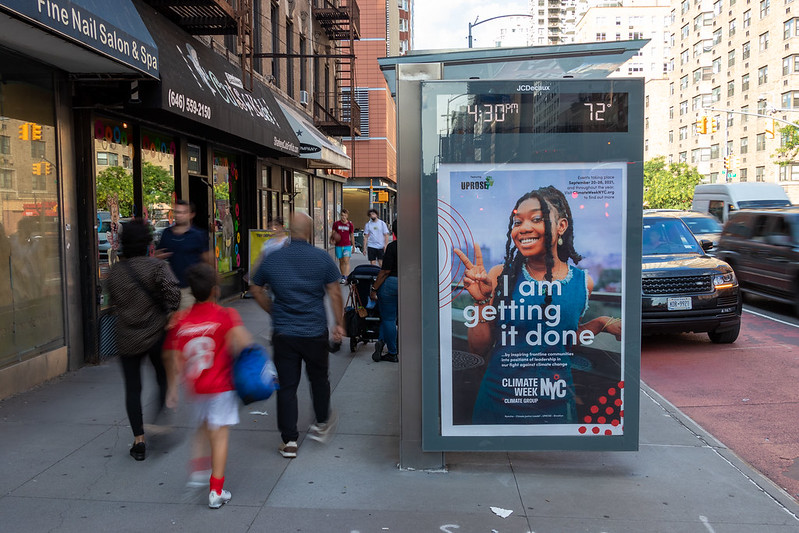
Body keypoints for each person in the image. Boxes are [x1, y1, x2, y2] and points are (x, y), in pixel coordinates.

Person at [454, 185, 621, 425]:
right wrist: (480, 301)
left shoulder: (583, 283)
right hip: (498, 401)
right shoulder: (501, 275)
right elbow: (477, 349)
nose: (524, 229)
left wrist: (601, 323)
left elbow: (564, 339)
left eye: (536, 219)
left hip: (556, 404)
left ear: (561, 226)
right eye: (517, 222)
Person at [249, 213, 345, 458]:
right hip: (314, 330)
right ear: (310, 232)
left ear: (290, 230)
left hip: (285, 332)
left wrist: (272, 309)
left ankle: (289, 440)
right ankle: (322, 422)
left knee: (287, 385)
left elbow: (255, 288)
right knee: (319, 379)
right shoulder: (322, 258)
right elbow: (334, 293)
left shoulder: (274, 258)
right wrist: (339, 324)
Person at [163, 263, 253, 509]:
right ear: (215, 289)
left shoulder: (181, 321)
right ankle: (216, 490)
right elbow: (244, 343)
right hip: (221, 386)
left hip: (197, 386)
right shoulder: (225, 316)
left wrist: (172, 389)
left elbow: (172, 356)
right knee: (220, 435)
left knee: (203, 425)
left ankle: (198, 468)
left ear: (191, 291)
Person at [106, 219, 181, 461]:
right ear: (148, 242)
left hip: (127, 335)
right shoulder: (156, 267)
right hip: (156, 333)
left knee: (132, 388)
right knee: (162, 379)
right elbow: (174, 295)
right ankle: (158, 422)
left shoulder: (115, 272)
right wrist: (166, 310)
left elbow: (113, 301)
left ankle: (139, 440)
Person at [157, 200, 211, 310]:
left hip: (189, 288)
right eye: (177, 212)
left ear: (191, 215)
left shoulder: (198, 235)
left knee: (184, 321)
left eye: (183, 212)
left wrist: (210, 285)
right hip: (169, 289)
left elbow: (207, 260)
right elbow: (157, 257)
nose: (179, 215)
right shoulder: (167, 234)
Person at [370, 220, 398, 363]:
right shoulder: (417, 245)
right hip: (412, 284)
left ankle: (392, 352)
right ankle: (382, 341)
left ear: (394, 232)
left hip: (391, 284)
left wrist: (374, 289)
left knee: (388, 319)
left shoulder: (393, 247)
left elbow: (385, 271)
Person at [330, 208, 355, 283]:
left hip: (347, 245)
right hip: (338, 245)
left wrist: (353, 245)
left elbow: (352, 235)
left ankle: (346, 276)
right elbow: (333, 233)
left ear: (347, 216)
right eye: (342, 215)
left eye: (344, 215)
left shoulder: (350, 224)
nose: (343, 217)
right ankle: (343, 275)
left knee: (346, 261)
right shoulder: (336, 224)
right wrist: (332, 239)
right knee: (341, 261)